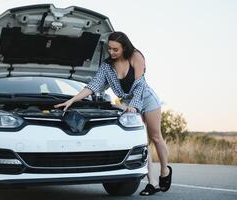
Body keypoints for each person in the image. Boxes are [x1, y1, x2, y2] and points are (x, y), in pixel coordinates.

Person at [54, 31, 172, 196]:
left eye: (115, 49)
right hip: (128, 104)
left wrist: (135, 107)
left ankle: (165, 172)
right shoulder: (107, 66)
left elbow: (139, 85)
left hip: (146, 99)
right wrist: (72, 100)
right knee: (143, 143)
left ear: (124, 47)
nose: (112, 52)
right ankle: (152, 183)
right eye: (109, 49)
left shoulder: (136, 56)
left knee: (156, 137)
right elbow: (93, 85)